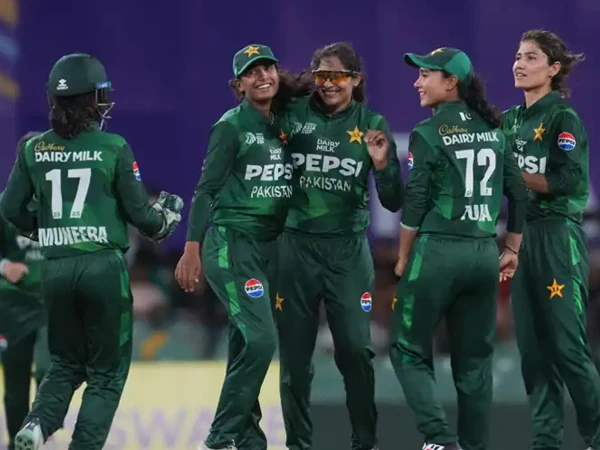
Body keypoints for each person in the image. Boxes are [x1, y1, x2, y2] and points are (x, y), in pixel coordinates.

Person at [0, 52, 183, 450]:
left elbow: (10, 209)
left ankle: (36, 424)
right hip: (102, 268)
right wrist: (167, 218)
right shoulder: (113, 146)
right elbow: (144, 219)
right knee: (106, 374)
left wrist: (48, 230)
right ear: (91, 100)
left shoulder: (33, 149)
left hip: (56, 269)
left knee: (65, 363)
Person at [389, 47, 528, 450]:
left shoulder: (428, 132)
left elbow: (415, 203)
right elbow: (519, 194)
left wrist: (403, 256)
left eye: (426, 75)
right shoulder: (495, 130)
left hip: (437, 252)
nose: (417, 82)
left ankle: (439, 438)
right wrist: (512, 248)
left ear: (451, 82)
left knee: (406, 349)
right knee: (475, 364)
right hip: (484, 254)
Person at [276, 41, 404, 450]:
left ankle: (364, 442)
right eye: (321, 76)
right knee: (294, 360)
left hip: (347, 253)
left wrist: (382, 167)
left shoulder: (372, 124)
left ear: (356, 79)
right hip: (295, 249)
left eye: (337, 76)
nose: (328, 84)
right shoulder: (292, 115)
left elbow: (394, 200)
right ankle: (298, 444)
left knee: (355, 350)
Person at [174, 44, 297, 450]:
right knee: (261, 341)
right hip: (232, 244)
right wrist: (191, 249)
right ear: (239, 85)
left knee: (245, 344)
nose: (262, 76)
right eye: (251, 72)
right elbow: (206, 190)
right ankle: (220, 436)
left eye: (267, 68)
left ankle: (248, 441)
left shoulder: (287, 122)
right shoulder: (230, 127)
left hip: (271, 247)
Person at [502, 29, 600, 450]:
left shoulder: (563, 117)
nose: (519, 64)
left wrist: (512, 175)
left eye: (531, 57)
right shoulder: (509, 120)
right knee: (533, 351)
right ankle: (546, 442)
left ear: (553, 69)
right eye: (517, 56)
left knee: (567, 346)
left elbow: (567, 179)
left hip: (558, 235)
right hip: (521, 238)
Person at [0, 132, 51, 450]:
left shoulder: (60, 204)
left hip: (53, 303)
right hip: (14, 305)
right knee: (16, 384)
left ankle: (41, 427)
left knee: (49, 371)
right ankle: (17, 444)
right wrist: (4, 265)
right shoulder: (5, 205)